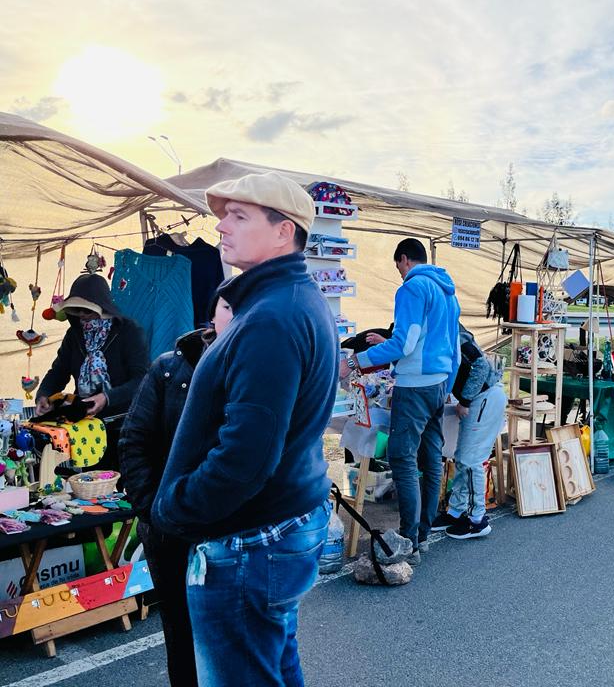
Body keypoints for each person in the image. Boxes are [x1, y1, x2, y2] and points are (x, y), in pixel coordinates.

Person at [152, 172, 337, 687]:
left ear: (284, 233)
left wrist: (176, 508)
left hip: (249, 540)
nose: (221, 227)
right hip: (272, 529)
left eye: (239, 216)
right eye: (223, 215)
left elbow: (246, 457)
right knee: (270, 670)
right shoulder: (284, 301)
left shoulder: (272, 318)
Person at [118, 298, 233, 687]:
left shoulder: (256, 369)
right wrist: (152, 510)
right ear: (213, 318)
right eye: (228, 307)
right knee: (181, 637)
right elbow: (133, 440)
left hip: (232, 534)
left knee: (233, 641)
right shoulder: (169, 369)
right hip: (169, 531)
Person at [341, 238, 460, 561]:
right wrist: (446, 384)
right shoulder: (447, 291)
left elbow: (404, 346)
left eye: (397, 266)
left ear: (405, 259)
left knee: (402, 458)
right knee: (431, 458)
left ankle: (408, 539)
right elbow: (454, 347)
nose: (399, 273)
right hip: (438, 383)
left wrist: (355, 361)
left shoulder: (412, 288)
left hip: (415, 385)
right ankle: (421, 531)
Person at [35, 272, 148, 470]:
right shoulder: (74, 334)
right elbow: (59, 371)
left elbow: (141, 379)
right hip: (87, 428)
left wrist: (107, 397)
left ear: (102, 307)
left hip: (125, 425)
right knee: (90, 486)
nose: (81, 316)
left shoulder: (129, 331)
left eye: (85, 310)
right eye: (75, 311)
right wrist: (44, 395)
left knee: (123, 489)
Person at [428, 324, 507, 540]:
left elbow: (480, 366)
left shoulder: (455, 335)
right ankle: (455, 511)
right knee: (463, 458)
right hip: (482, 399)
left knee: (472, 460)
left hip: (484, 399)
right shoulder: (449, 333)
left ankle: (477, 519)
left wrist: (464, 400)